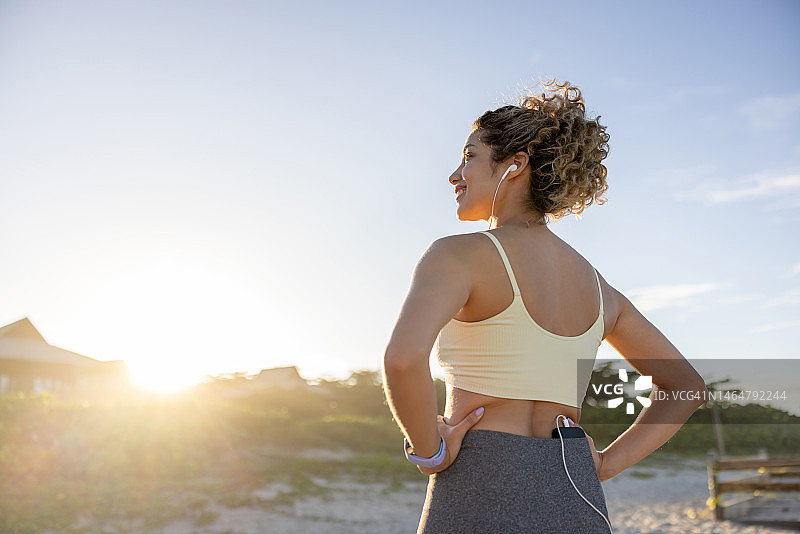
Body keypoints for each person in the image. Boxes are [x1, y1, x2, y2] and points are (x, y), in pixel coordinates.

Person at [381, 79, 708, 533]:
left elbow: (402, 360)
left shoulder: (458, 255)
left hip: (482, 478)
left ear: (515, 165)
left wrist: (430, 451)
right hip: (576, 489)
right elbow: (687, 386)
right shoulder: (598, 287)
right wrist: (606, 465)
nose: (455, 174)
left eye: (470, 156)